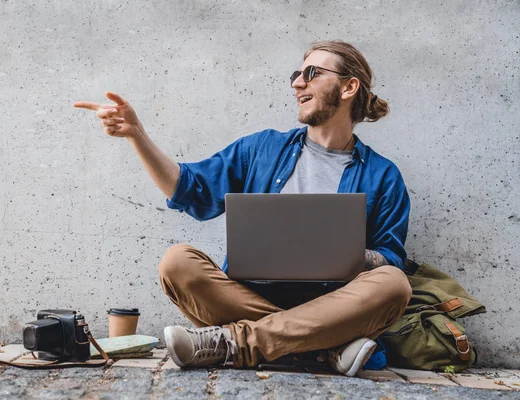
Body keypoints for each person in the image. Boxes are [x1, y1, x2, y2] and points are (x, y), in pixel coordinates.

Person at [74, 40, 412, 377]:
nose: (297, 83)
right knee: (176, 263)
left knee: (394, 284)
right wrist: (137, 135)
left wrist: (349, 252)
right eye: (297, 74)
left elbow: (391, 259)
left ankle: (235, 343)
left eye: (311, 73)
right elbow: (190, 190)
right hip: (248, 300)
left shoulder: (383, 176)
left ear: (349, 86)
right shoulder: (262, 148)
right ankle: (323, 347)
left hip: (335, 307)